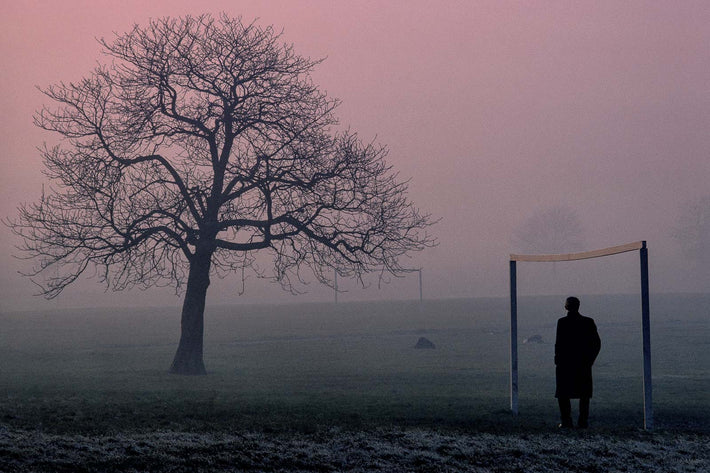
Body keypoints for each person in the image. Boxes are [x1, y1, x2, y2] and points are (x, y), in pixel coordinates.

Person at [555, 296, 601, 428]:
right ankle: (582, 421)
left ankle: (566, 421)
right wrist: (590, 359)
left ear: (566, 307)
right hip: (582, 364)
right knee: (584, 394)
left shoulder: (562, 322)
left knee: (564, 393)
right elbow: (596, 343)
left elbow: (559, 344)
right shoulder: (588, 322)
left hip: (566, 364)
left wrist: (558, 360)